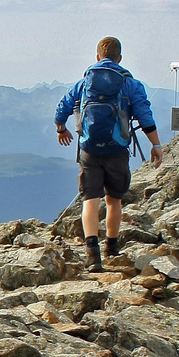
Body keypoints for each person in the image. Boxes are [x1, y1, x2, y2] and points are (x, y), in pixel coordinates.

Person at [55, 36, 162, 268]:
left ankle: (93, 255)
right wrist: (156, 144)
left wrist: (60, 129)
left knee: (90, 200)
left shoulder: (84, 82)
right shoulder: (130, 84)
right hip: (117, 149)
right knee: (114, 200)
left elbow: (62, 106)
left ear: (97, 57)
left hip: (89, 149)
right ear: (120, 58)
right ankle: (111, 247)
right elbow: (145, 116)